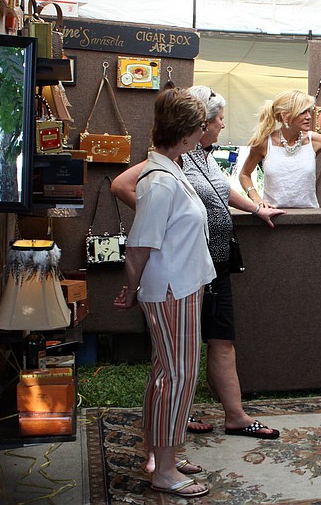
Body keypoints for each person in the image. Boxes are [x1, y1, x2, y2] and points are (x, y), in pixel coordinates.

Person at [112, 86, 285, 441]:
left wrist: (257, 208)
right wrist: (166, 224)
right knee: (178, 360)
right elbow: (121, 186)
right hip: (184, 272)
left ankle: (234, 416)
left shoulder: (203, 157)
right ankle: (175, 421)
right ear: (198, 125)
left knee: (220, 339)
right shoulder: (171, 160)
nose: (223, 125)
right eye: (219, 119)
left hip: (214, 264)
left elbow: (222, 192)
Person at [112, 88, 215, 498]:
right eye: (202, 126)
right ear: (188, 133)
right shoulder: (160, 180)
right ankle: (165, 470)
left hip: (180, 286)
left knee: (166, 375)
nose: (206, 130)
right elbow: (140, 244)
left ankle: (162, 455)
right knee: (177, 376)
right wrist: (131, 288)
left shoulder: (168, 170)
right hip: (173, 290)